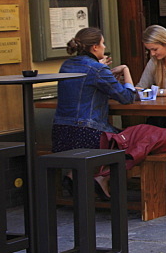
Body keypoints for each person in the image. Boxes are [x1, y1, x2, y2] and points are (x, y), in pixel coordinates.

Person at [52, 27, 137, 198]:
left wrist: (103, 71)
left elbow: (86, 85)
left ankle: (74, 176)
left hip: (60, 136)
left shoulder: (66, 65)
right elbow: (127, 97)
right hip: (88, 135)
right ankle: (101, 177)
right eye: (103, 43)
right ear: (95, 47)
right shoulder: (98, 70)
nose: (105, 47)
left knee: (122, 138)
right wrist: (125, 70)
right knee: (137, 140)